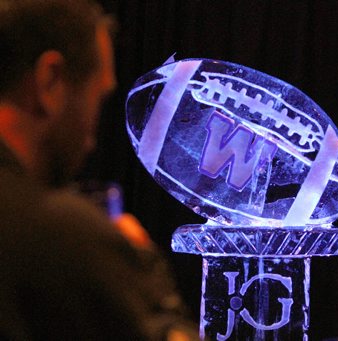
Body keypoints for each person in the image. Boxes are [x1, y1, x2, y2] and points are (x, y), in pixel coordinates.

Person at [0, 1, 197, 339]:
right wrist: (142, 268)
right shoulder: (60, 235)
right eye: (97, 97)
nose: (91, 141)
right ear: (51, 81)